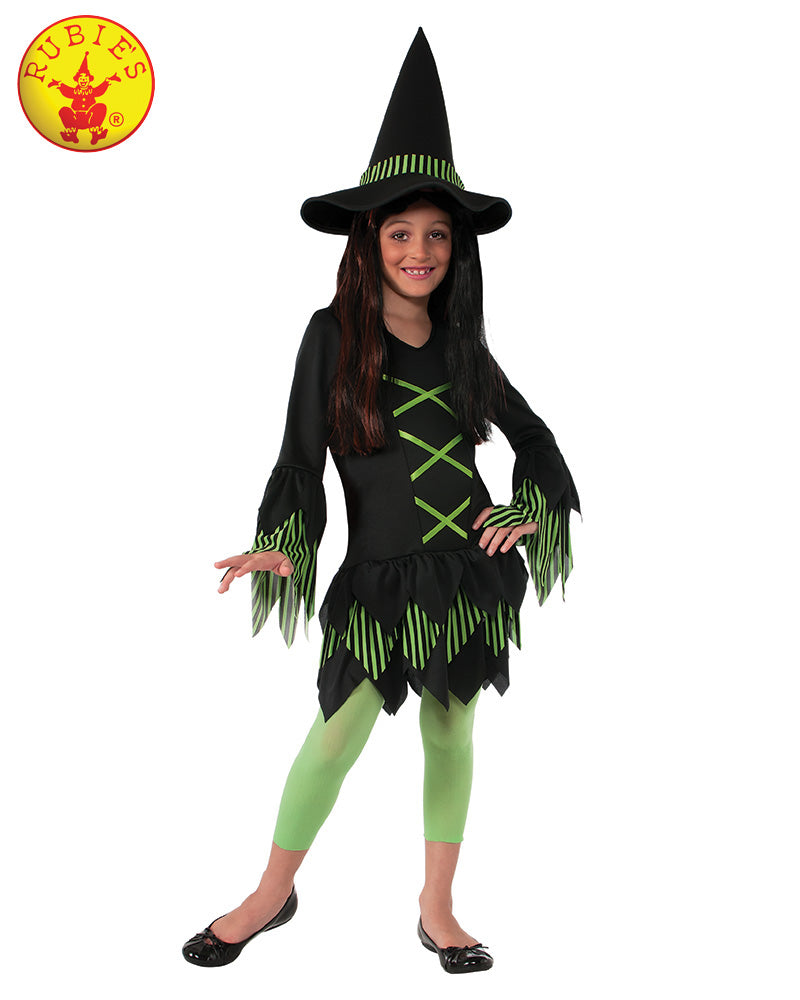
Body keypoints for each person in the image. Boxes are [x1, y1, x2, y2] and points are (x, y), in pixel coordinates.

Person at [182, 28, 580, 976]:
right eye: (400, 233)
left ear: (457, 248)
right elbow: (299, 461)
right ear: (369, 242)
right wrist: (284, 545)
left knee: (452, 729)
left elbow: (536, 440)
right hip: (376, 582)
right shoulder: (330, 337)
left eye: (436, 234)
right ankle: (271, 893)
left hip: (466, 575)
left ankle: (437, 908)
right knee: (335, 737)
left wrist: (527, 511)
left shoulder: (465, 349)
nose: (419, 250)